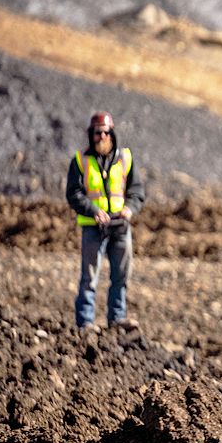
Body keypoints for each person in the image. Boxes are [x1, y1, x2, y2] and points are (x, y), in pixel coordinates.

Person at [65, 111, 145, 330]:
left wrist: (129, 209)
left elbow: (137, 191)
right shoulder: (81, 161)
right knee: (88, 279)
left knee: (121, 277)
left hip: (120, 226)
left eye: (105, 132)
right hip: (94, 227)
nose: (101, 137)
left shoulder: (126, 159)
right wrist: (93, 211)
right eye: (97, 133)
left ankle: (117, 319)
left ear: (112, 133)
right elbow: (73, 193)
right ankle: (85, 322)